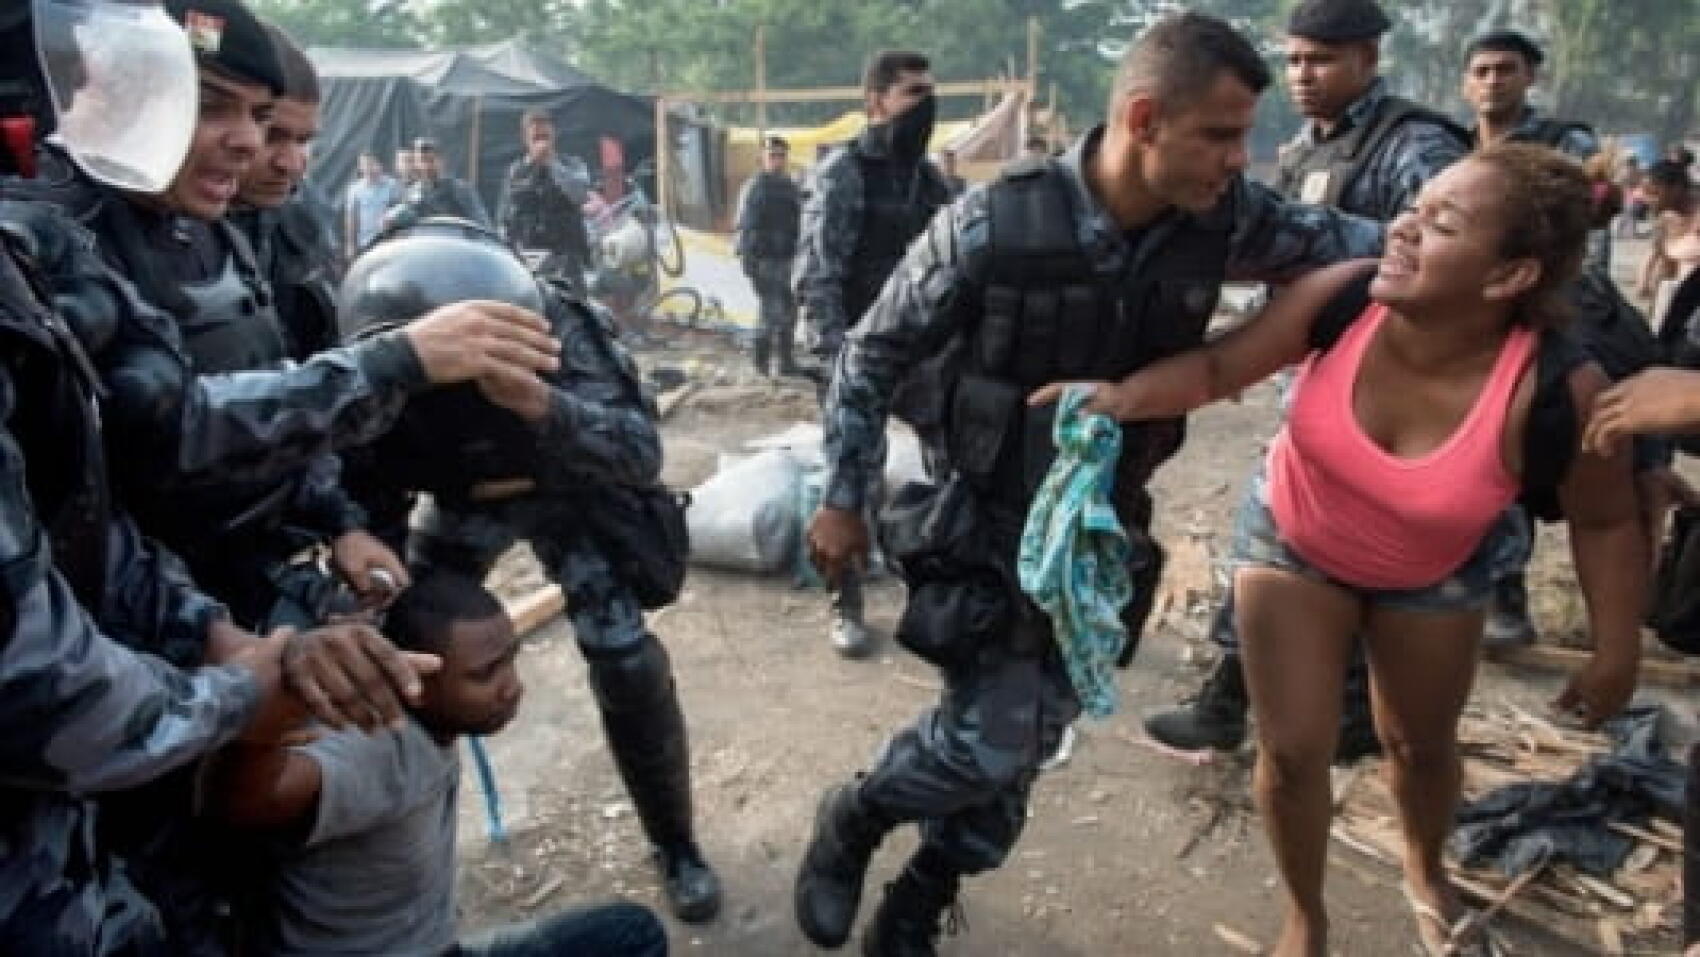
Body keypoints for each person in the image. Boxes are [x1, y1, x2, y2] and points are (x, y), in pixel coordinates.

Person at [796, 14, 1381, 954]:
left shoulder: (1223, 218)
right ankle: (858, 813)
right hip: (985, 519)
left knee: (1027, 754)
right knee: (991, 738)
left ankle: (919, 892)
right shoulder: (993, 221)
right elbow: (868, 355)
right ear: (1145, 118)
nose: (1241, 159)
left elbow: (1381, 243)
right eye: (1221, 135)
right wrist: (843, 494)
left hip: (1103, 533)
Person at [1040, 142, 1643, 957]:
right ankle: (1304, 916)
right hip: (1294, 539)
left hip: (1435, 568)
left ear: (1508, 278)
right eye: (1415, 206)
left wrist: (1616, 651)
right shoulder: (1346, 296)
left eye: (1441, 224)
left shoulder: (1558, 389)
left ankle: (1427, 869)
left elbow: (1605, 521)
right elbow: (1222, 364)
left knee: (1420, 747)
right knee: (1292, 752)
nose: (1403, 228)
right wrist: (1121, 396)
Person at [0, 2, 446, 946]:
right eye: (217, 109)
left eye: (271, 124)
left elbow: (86, 509)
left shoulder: (196, 235)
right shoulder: (67, 233)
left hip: (168, 655)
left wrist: (225, 635)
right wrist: (242, 686)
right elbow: (167, 429)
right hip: (97, 721)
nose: (254, 149)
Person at [339, 220, 723, 924]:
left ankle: (676, 843)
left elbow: (640, 452)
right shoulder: (379, 343)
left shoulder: (557, 322)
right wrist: (376, 578)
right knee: (403, 655)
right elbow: (364, 479)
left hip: (567, 491)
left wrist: (543, 404)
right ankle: (406, 851)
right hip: (458, 500)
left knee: (628, 662)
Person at [1146, 0, 1468, 760]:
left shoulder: (1413, 146)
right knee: (1281, 534)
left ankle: (1344, 718)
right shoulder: (1303, 150)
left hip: (1389, 394)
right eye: (1293, 60)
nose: (1302, 75)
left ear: (1366, 59)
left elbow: (1445, 264)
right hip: (1317, 380)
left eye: (1319, 60)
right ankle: (1236, 701)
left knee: (1348, 549)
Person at [212, 572, 670, 957]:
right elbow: (251, 803)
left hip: (431, 943)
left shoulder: (433, 716)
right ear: (419, 680)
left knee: (633, 933)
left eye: (510, 660)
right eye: (484, 674)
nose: (511, 687)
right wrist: (264, 721)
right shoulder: (375, 745)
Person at [795, 49, 952, 658]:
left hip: (922, 357)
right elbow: (821, 274)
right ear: (876, 102)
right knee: (850, 482)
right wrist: (840, 367)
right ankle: (846, 601)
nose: (926, 105)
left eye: (930, 92)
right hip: (856, 355)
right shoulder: (845, 172)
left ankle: (938, 589)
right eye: (913, 93)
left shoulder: (931, 183)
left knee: (955, 468)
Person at [229, 21, 341, 363]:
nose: (291, 164)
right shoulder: (139, 234)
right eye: (272, 135)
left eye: (304, 141)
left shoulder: (302, 218)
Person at [1459, 29, 1613, 270]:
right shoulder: (1453, 147)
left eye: (1505, 69)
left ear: (1530, 77)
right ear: (1466, 84)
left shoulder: (1565, 144)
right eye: (1481, 72)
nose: (1492, 81)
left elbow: (1591, 228)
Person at [498, 107, 594, 288]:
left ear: (553, 135)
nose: (541, 143)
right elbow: (504, 216)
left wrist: (552, 164)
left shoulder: (572, 164)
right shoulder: (515, 171)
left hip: (565, 258)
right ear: (526, 139)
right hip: (528, 257)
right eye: (536, 137)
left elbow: (580, 195)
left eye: (545, 136)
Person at [734, 134, 803, 376]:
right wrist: (748, 258)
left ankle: (786, 363)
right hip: (765, 261)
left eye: (781, 155)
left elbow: (801, 221)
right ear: (762, 158)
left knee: (790, 312)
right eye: (772, 155)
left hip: (788, 259)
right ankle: (761, 366)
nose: (777, 160)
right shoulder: (755, 187)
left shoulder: (791, 186)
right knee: (770, 313)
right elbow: (745, 225)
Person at [1638, 160, 1699, 324]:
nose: (1648, 200)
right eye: (1647, 193)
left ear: (1676, 189)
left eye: (1654, 193)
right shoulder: (1666, 219)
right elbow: (1660, 257)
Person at [403, 137, 492, 227]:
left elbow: (482, 224)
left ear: (441, 161)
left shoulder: (461, 190)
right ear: (416, 163)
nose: (427, 166)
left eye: (431, 160)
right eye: (422, 160)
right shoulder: (411, 194)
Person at [346, 151, 402, 255]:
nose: (369, 168)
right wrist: (350, 245)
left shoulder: (392, 185)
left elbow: (398, 210)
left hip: (387, 241)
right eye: (365, 165)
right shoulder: (355, 190)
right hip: (365, 242)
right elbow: (352, 218)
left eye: (371, 164)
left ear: (379, 164)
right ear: (361, 168)